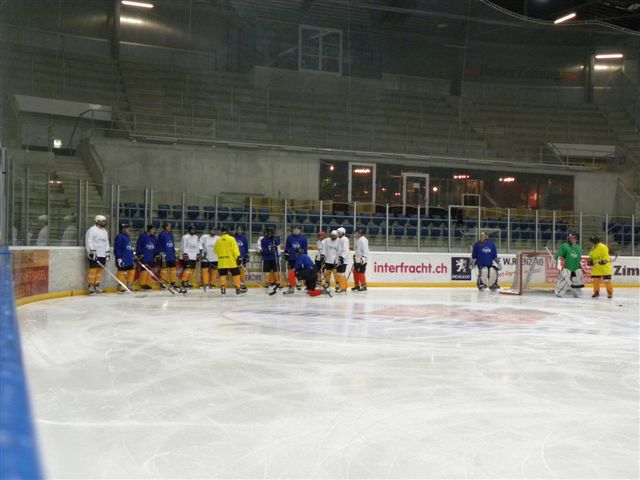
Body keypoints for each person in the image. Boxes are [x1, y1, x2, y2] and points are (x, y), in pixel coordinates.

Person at [214, 225, 246, 295]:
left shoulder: (218, 240)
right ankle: (238, 288)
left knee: (222, 274)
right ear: (228, 231)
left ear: (221, 231)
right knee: (236, 274)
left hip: (222, 261)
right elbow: (235, 250)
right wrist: (238, 257)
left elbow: (215, 250)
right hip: (231, 261)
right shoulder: (231, 239)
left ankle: (223, 288)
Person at [85, 214, 110, 295]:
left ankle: (97, 286)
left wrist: (107, 252)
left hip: (102, 254)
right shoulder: (92, 230)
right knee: (93, 270)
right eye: (102, 221)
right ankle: (91, 286)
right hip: (95, 254)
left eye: (104, 221)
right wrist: (91, 252)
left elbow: (106, 242)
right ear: (97, 221)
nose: (104, 223)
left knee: (99, 270)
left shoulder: (104, 231)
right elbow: (89, 241)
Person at [554, 233, 584, 298]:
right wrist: (559, 265)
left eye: (574, 238)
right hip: (566, 267)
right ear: (568, 239)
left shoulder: (578, 248)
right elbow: (559, 256)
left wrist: (580, 267)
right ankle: (559, 292)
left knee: (577, 279)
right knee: (564, 280)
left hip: (575, 267)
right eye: (570, 238)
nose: (572, 239)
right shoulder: (565, 246)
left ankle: (577, 293)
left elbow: (579, 258)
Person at [283, 225, 308, 295]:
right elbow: (287, 247)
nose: (296, 230)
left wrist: (305, 257)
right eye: (294, 229)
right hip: (291, 258)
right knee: (291, 273)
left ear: (300, 230)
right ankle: (291, 288)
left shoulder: (303, 238)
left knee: (299, 272)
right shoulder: (289, 237)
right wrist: (286, 254)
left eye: (297, 229)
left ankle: (299, 283)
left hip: (300, 258)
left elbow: (305, 249)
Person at [114, 222, 135, 293]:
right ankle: (120, 286)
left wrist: (133, 256)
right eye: (127, 228)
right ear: (123, 229)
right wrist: (119, 258)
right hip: (123, 258)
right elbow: (117, 248)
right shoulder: (119, 237)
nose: (128, 229)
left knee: (132, 270)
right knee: (121, 272)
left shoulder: (127, 237)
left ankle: (129, 285)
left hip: (129, 258)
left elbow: (129, 247)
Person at [135, 224, 158, 291]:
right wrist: (139, 253)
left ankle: (147, 283)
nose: (154, 231)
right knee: (144, 270)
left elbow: (155, 247)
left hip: (151, 256)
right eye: (153, 229)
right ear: (150, 229)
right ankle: (143, 284)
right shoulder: (143, 236)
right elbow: (139, 245)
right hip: (144, 256)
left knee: (149, 270)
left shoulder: (154, 237)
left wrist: (155, 254)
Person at [260, 227, 281, 294]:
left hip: (274, 258)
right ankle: (267, 282)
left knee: (276, 270)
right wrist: (269, 251)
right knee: (267, 271)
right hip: (267, 258)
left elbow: (278, 243)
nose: (269, 233)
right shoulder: (263, 240)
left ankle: (278, 282)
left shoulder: (275, 238)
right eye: (268, 232)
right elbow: (263, 249)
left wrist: (277, 237)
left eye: (271, 232)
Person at [157, 222, 178, 289]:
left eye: (170, 226)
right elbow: (159, 244)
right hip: (164, 255)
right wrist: (161, 252)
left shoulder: (171, 235)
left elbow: (172, 244)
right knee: (164, 269)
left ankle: (173, 282)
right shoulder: (161, 234)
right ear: (165, 227)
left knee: (173, 269)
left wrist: (174, 252)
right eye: (168, 226)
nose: (169, 227)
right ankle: (162, 283)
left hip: (171, 255)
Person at [199, 226, 220, 291]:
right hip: (205, 257)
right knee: (204, 271)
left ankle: (212, 284)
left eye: (214, 230)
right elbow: (199, 244)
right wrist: (201, 251)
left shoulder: (218, 238)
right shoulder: (204, 237)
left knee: (214, 271)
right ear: (209, 231)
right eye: (211, 230)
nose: (213, 231)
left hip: (215, 257)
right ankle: (205, 283)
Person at [180, 224, 200, 289]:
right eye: (192, 230)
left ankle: (188, 281)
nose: (193, 231)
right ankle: (184, 281)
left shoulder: (196, 237)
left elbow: (197, 246)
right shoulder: (185, 237)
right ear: (189, 230)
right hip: (188, 256)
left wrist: (198, 254)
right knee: (188, 269)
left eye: (194, 230)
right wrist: (185, 254)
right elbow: (183, 246)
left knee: (192, 269)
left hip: (194, 256)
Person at [234, 226, 250, 291]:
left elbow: (246, 246)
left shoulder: (244, 237)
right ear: (236, 230)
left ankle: (242, 283)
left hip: (242, 256)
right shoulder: (233, 237)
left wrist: (247, 254)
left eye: (240, 229)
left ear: (242, 230)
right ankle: (237, 283)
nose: (239, 230)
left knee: (242, 270)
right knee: (236, 270)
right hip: (235, 257)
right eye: (238, 229)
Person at [335, 226, 350, 293]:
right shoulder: (340, 239)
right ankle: (344, 287)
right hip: (340, 259)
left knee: (341, 273)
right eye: (337, 232)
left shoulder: (345, 239)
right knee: (339, 273)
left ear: (343, 233)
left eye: (339, 232)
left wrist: (342, 258)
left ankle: (343, 288)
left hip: (343, 260)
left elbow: (345, 250)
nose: (338, 233)